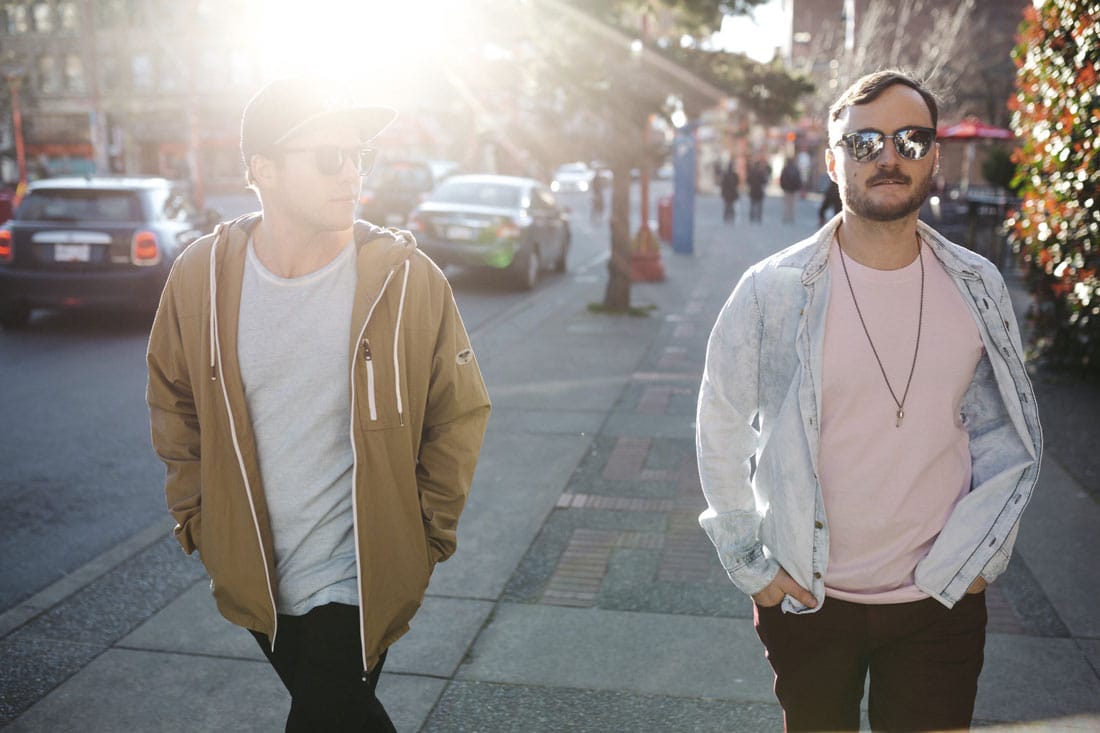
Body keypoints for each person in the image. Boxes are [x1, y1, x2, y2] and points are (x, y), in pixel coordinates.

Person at [695, 70, 1042, 732]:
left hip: (940, 598)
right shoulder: (772, 289)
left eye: (911, 140)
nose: (889, 156)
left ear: (934, 157)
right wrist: (749, 563)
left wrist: (978, 561)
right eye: (863, 142)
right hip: (809, 596)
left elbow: (1006, 435)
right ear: (832, 162)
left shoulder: (978, 285)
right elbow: (722, 423)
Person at [146, 76, 492, 732]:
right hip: (256, 572)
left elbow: (458, 412)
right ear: (264, 170)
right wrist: (198, 519)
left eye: (359, 155)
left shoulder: (407, 280)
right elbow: (173, 398)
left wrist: (425, 534)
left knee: (328, 712)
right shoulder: (201, 275)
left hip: (362, 570)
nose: (352, 173)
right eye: (330, 157)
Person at [779, 156, 803, 224]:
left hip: (786, 189)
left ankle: (786, 217)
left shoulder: (785, 169)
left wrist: (783, 187)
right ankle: (792, 218)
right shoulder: (796, 169)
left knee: (786, 205)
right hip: (794, 190)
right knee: (793, 205)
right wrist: (798, 188)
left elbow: (782, 179)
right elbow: (799, 180)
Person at [746, 157, 769, 223]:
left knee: (752, 205)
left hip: (753, 191)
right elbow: (765, 181)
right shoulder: (761, 173)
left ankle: (752, 217)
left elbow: (748, 181)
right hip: (759, 191)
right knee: (759, 205)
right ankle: (758, 217)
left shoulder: (751, 173)